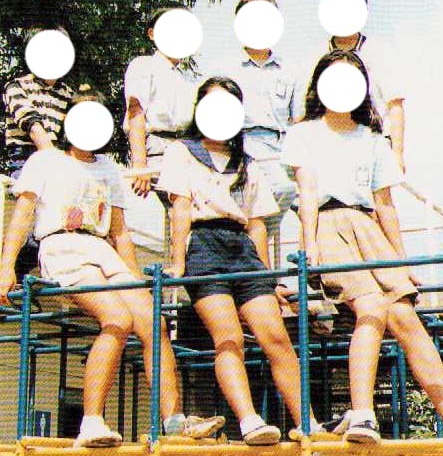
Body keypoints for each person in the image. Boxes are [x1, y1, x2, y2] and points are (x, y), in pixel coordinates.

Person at [0, 88, 225, 447]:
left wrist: (135, 280)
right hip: (61, 246)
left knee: (153, 321)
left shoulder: (107, 168)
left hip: (101, 248)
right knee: (116, 318)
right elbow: (23, 215)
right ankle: (91, 421)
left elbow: (119, 232)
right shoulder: (45, 160)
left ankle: (174, 421)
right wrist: (6, 266)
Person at [281, 51, 443, 443]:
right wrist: (310, 244)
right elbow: (308, 192)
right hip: (328, 223)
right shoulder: (303, 134)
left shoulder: (372, 139)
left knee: (405, 317)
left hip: (368, 226)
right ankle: (363, 414)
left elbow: (385, 204)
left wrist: (401, 261)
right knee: (370, 306)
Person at [156, 77, 322, 445]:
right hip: (204, 246)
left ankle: (308, 422)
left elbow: (258, 223)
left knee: (276, 337)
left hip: (241, 247)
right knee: (229, 336)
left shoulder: (247, 162)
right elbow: (180, 208)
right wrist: (178, 262)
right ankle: (249, 420)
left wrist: (267, 277)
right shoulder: (182, 152)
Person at [215, 0, 303, 239]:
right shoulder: (224, 68)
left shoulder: (291, 70)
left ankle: (255, 243)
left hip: (279, 148)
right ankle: (249, 243)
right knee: (267, 191)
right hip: (238, 146)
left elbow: (298, 121)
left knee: (304, 195)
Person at [2, 23, 74, 280]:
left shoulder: (68, 94)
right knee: (34, 220)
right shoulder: (16, 86)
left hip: (57, 159)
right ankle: (12, 274)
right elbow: (33, 126)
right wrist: (56, 167)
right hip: (26, 158)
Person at [323, 0, 406, 172]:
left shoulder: (380, 52)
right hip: (329, 146)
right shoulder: (316, 55)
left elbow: (395, 106)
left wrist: (397, 154)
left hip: (372, 145)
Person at [123, 2, 198, 198]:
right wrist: (140, 165)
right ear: (152, 34)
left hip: (185, 149)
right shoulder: (143, 66)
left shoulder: (188, 78)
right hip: (155, 149)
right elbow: (136, 112)